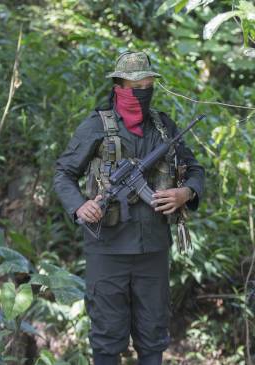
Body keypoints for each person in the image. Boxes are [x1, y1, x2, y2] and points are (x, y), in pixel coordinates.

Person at [53, 51, 205, 365]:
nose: (143, 90)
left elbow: (195, 170)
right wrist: (79, 206)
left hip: (153, 251)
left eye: (148, 84)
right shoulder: (96, 126)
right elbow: (64, 174)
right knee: (108, 340)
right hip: (107, 250)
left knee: (153, 338)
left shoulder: (163, 127)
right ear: (119, 86)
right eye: (136, 85)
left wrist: (185, 193)